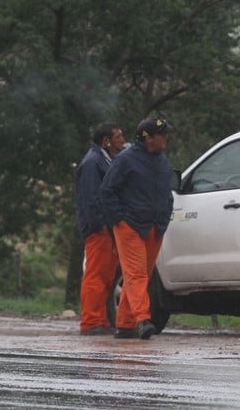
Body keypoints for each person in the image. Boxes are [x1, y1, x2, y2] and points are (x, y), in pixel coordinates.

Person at [100, 117, 174, 340]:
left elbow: (167, 191)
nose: (166, 138)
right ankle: (142, 320)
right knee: (136, 274)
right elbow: (107, 191)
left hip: (156, 226)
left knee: (142, 275)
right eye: (162, 135)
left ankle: (125, 325)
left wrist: (166, 214)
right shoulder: (126, 160)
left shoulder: (163, 161)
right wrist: (119, 221)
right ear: (148, 138)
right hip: (129, 225)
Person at [74, 122, 126, 335]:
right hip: (98, 229)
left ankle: (100, 319)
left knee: (105, 275)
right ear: (106, 141)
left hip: (106, 228)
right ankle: (91, 320)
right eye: (118, 137)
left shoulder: (103, 160)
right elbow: (91, 198)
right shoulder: (93, 163)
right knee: (96, 274)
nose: (122, 140)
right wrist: (100, 225)